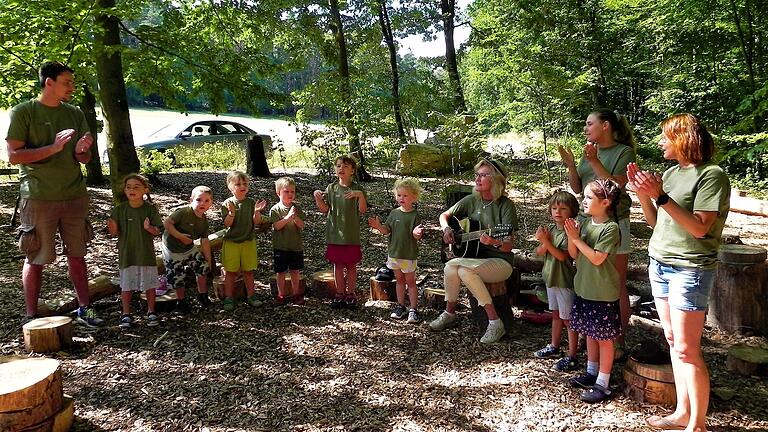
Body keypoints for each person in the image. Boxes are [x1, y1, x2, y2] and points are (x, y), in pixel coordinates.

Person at [627, 114, 730, 432]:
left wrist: (660, 196)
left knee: (687, 348)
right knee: (673, 341)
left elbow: (699, 228)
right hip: (660, 264)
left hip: (690, 269)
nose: (660, 141)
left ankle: (697, 424)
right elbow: (658, 222)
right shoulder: (671, 173)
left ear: (683, 139)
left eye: (665, 136)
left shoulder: (711, 175)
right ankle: (682, 412)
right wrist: (645, 195)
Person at [5, 61, 104, 326]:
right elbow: (14, 157)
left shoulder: (74, 114)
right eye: (66, 82)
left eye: (72, 82)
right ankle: (31, 315)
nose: (72, 87)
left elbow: (82, 158)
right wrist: (53, 147)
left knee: (78, 254)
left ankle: (86, 308)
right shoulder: (23, 112)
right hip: (39, 196)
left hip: (74, 194)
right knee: (36, 257)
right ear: (49, 82)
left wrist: (83, 150)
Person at [558, 109, 636, 358]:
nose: (585, 128)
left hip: (614, 222)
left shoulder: (623, 152)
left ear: (605, 125)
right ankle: (591, 335)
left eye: (589, 123)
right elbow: (578, 187)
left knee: (616, 282)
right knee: (586, 274)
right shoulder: (588, 151)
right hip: (586, 221)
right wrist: (572, 165)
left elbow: (616, 187)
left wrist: (593, 160)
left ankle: (617, 340)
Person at [429, 158, 518, 344]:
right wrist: (446, 229)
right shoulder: (472, 200)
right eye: (476, 175)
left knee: (463, 270)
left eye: (483, 175)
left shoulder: (506, 206)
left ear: (496, 180)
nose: (477, 179)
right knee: (450, 268)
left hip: (500, 262)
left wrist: (494, 241)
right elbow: (444, 215)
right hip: (475, 258)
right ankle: (449, 313)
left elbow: (509, 245)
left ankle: (495, 322)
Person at [564, 178, 622, 403]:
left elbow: (598, 259)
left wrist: (577, 239)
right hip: (584, 288)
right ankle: (591, 371)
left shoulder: (611, 228)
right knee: (589, 333)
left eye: (589, 197)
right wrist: (572, 238)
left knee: (604, 339)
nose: (583, 201)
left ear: (606, 202)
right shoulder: (586, 224)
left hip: (602, 293)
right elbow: (574, 254)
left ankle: (603, 383)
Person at [533, 191, 580, 372]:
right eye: (554, 208)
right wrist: (543, 240)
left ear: (572, 210)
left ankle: (572, 355)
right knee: (555, 314)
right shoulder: (551, 230)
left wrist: (546, 241)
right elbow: (540, 251)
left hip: (564, 280)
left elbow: (562, 256)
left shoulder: (570, 232)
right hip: (551, 278)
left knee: (568, 319)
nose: (557, 212)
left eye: (563, 208)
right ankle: (554, 346)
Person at [107, 174, 163, 328]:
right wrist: (111, 224)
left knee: (150, 284)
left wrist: (148, 228)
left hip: (146, 254)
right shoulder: (119, 210)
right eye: (128, 187)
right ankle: (126, 314)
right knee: (126, 285)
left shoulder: (150, 209)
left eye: (136, 187)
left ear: (145, 189)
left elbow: (158, 230)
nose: (132, 190)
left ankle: (151, 312)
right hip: (127, 254)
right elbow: (113, 232)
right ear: (124, 190)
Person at [313, 155, 368, 309]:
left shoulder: (357, 188)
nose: (341, 169)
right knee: (337, 265)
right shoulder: (331, 188)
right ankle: (339, 293)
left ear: (352, 171)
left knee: (351, 265)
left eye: (345, 166)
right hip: (335, 234)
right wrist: (317, 198)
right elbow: (325, 209)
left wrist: (360, 195)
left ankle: (350, 293)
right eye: (338, 166)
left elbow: (363, 210)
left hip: (351, 235)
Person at [368, 178, 425, 323]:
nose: (401, 198)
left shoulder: (414, 215)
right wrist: (378, 226)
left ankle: (413, 309)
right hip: (394, 254)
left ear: (414, 197)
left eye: (405, 195)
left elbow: (416, 234)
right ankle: (400, 306)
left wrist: (417, 234)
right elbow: (386, 230)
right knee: (399, 280)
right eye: (399, 195)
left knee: (411, 282)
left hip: (409, 255)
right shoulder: (394, 213)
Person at [162, 185, 214, 315]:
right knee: (177, 276)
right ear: (191, 200)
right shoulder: (183, 212)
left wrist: (208, 260)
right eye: (198, 199)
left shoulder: (203, 220)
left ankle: (202, 295)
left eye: (206, 201)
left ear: (211, 203)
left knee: (202, 268)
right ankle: (181, 302)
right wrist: (179, 236)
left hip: (189, 248)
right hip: (172, 249)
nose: (202, 203)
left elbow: (205, 240)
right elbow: (167, 223)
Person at [220, 171, 267, 311]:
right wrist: (231, 213)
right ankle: (228, 298)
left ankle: (251, 296)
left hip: (248, 241)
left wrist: (257, 211)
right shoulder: (227, 203)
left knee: (248, 271)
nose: (242, 186)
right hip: (231, 243)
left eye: (245, 184)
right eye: (238, 184)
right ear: (230, 187)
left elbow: (257, 222)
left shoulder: (251, 202)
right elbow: (227, 224)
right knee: (230, 272)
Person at [267, 177, 306, 305]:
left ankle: (296, 293)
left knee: (295, 271)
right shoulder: (275, 209)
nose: (290, 194)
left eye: (292, 192)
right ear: (278, 193)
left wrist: (295, 218)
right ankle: (281, 294)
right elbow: (276, 226)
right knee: (281, 272)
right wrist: (288, 217)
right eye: (286, 191)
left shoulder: (297, 208)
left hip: (295, 246)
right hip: (281, 247)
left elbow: (302, 226)